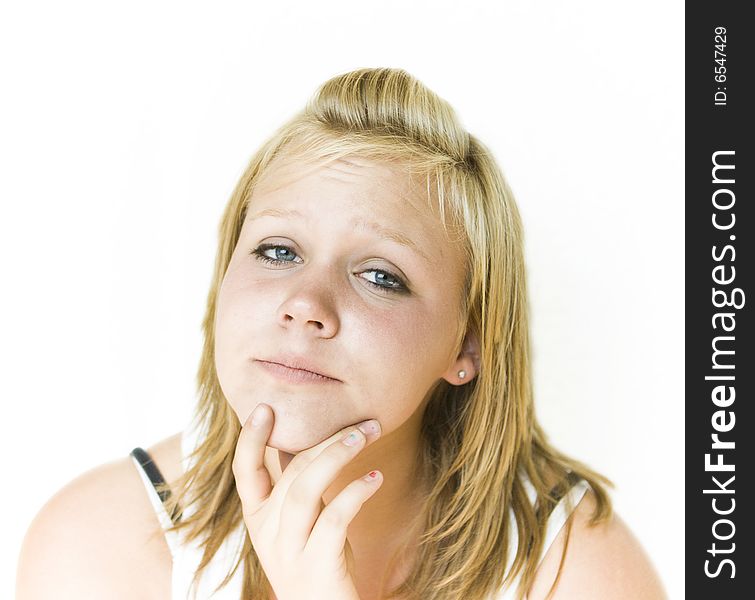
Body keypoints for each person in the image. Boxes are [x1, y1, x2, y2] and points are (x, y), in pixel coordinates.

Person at [16, 67, 666, 600]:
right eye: (277, 251)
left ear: (464, 346)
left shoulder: (574, 571)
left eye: (379, 275)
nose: (304, 304)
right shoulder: (96, 548)